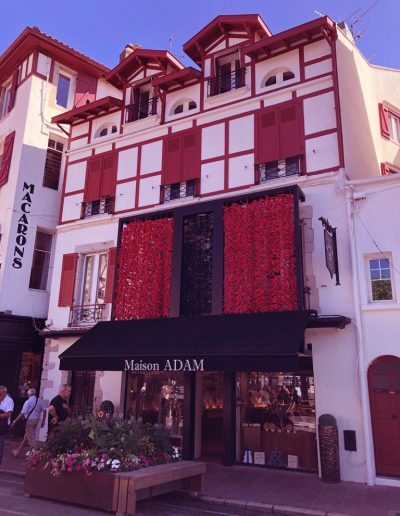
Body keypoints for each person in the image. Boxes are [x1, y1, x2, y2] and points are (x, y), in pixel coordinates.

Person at [10, 388, 46, 457]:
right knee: (26, 437)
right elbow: (44, 411)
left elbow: (22, 413)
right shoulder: (39, 401)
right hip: (36, 420)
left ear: (28, 394)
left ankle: (35, 455)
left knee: (31, 439)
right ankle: (18, 451)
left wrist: (14, 421)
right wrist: (43, 421)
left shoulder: (28, 402)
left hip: (30, 421)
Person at [0, 386, 14, 467]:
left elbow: (8, 414)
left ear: (5, 393)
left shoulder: (9, 401)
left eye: (0, 394)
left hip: (2, 427)